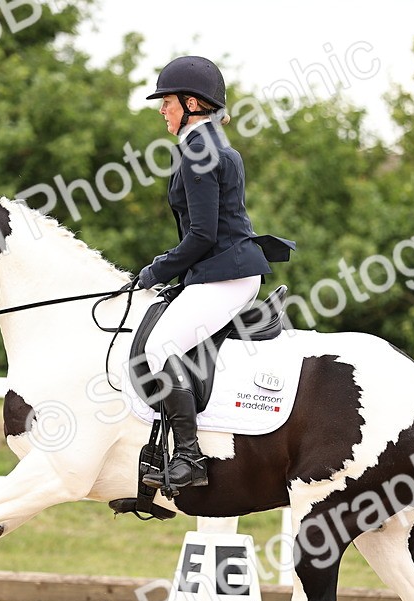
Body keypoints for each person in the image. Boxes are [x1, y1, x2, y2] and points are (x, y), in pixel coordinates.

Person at [134, 55, 294, 492]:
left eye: (166, 102)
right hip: (223, 270)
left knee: (159, 348)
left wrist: (155, 270)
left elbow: (202, 235)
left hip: (226, 275)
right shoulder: (212, 145)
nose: (161, 110)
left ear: (190, 103)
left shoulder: (197, 151)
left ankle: (189, 456)